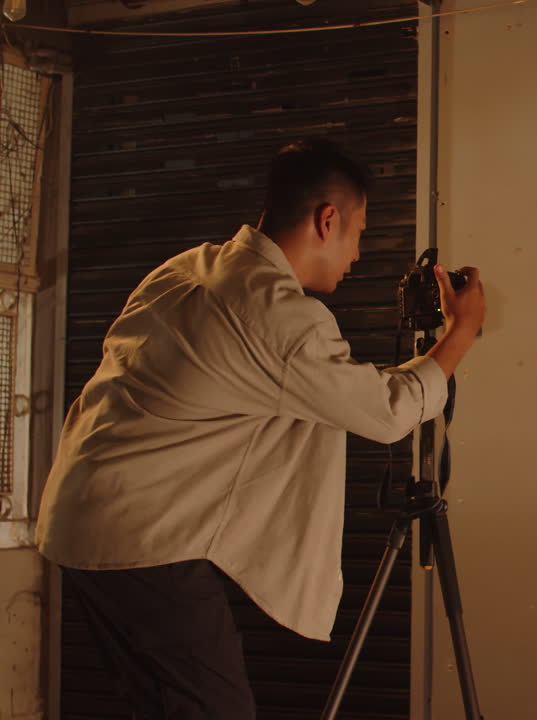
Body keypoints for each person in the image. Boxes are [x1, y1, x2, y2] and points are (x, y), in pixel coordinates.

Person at [35, 138, 486, 719]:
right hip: (144, 542)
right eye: (360, 232)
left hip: (85, 519)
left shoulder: (191, 266)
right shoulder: (275, 315)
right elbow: (388, 412)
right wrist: (461, 333)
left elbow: (310, 380)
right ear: (328, 220)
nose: (358, 253)